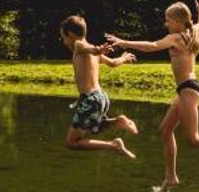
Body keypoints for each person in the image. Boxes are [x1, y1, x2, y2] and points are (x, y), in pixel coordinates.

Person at [105, 0, 199, 192]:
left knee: (194, 138)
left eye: (168, 20)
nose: (166, 24)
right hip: (186, 89)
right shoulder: (193, 31)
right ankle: (171, 177)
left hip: (189, 89)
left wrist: (124, 42)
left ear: (178, 21)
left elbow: (152, 45)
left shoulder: (176, 37)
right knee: (165, 130)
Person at [59, 14, 139, 158]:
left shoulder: (79, 45)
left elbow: (87, 48)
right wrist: (123, 58)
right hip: (101, 97)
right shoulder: (92, 52)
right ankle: (118, 121)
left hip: (91, 99)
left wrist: (98, 50)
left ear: (70, 34)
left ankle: (113, 145)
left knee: (71, 142)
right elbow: (113, 63)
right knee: (95, 128)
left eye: (64, 38)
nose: (64, 42)